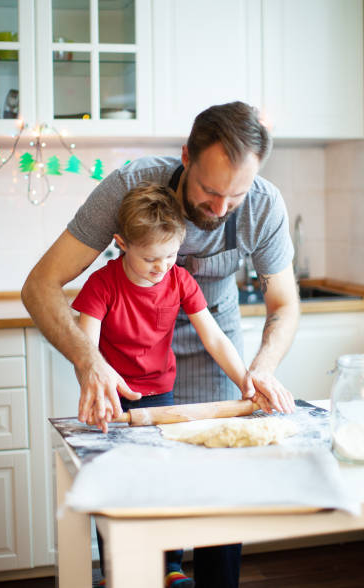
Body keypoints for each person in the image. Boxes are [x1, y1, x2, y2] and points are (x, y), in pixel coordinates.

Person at [22, 101, 300, 588]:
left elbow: (284, 304)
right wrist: (91, 362)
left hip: (216, 347)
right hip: (126, 364)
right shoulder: (132, 187)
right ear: (186, 157)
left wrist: (259, 369)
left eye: (233, 199)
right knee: (133, 485)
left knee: (218, 495)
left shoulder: (264, 205)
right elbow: (40, 285)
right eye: (210, 193)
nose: (219, 210)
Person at [72, 183, 253, 587]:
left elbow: (215, 337)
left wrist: (246, 381)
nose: (161, 266)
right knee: (117, 488)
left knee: (161, 483)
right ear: (121, 244)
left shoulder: (180, 280)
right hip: (112, 398)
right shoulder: (103, 284)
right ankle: (116, 570)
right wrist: (95, 383)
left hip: (161, 397)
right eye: (150, 258)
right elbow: (85, 347)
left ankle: (169, 565)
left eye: (170, 255)